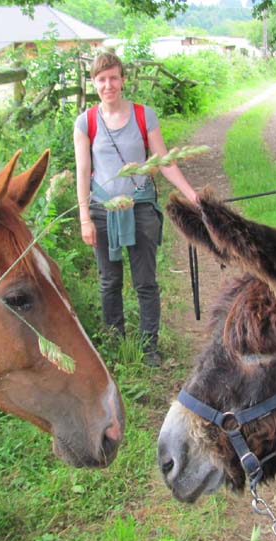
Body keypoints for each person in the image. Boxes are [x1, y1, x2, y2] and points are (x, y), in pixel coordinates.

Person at [73, 51, 199, 367]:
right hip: (102, 211)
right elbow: (82, 171)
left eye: (113, 77)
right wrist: (84, 217)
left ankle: (148, 347)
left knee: (146, 282)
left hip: (140, 208)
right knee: (109, 281)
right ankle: (115, 345)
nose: (108, 85)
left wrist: (191, 195)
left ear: (123, 79)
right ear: (94, 83)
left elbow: (163, 161)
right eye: (101, 79)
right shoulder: (86, 122)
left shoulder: (145, 116)